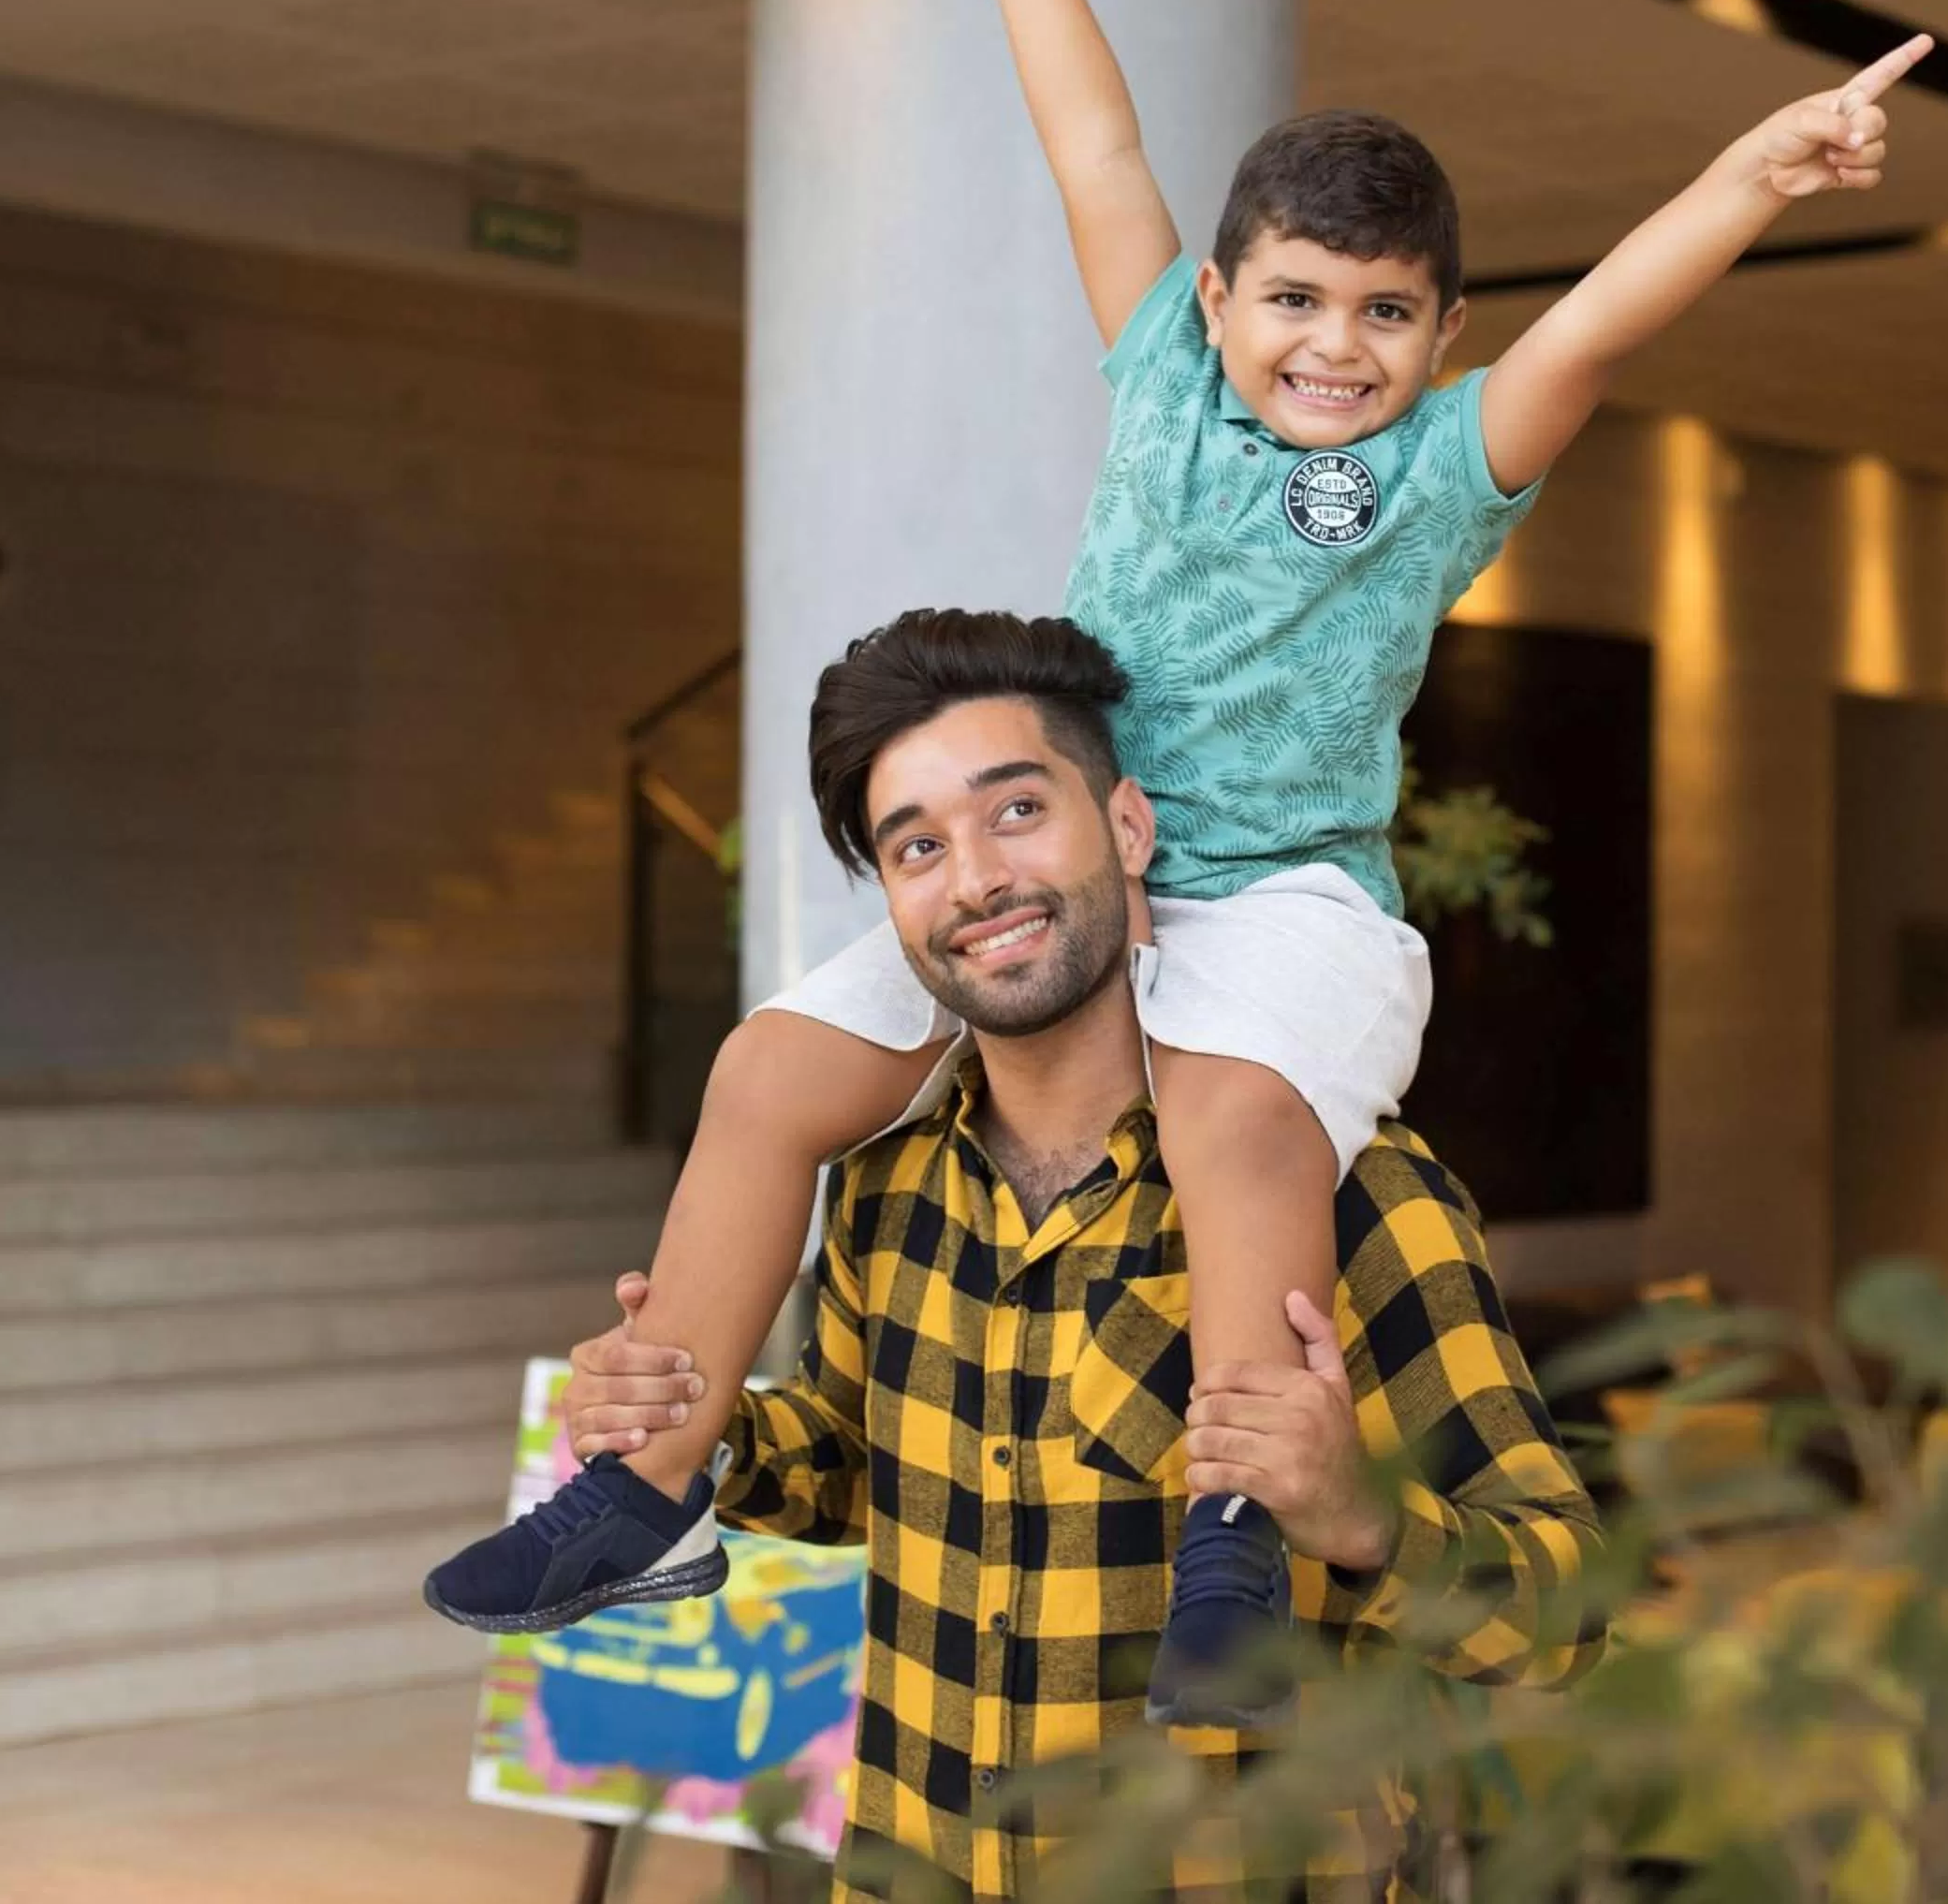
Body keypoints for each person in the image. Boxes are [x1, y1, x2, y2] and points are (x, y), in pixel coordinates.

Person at [427, 0, 1924, 1727]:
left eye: (1387, 314)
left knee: (1228, 1125)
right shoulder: (1160, 378)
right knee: (766, 1068)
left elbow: (1613, 318)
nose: (1334, 344)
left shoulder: (1440, 474)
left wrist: (1762, 171)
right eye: (1295, 298)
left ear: (1442, 333)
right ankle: (642, 1483)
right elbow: (1098, 137)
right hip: (1083, 861)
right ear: (1219, 302)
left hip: (1285, 892)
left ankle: (1238, 1531)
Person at [446, 610, 1606, 1896]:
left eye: (1016, 812)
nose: (977, 879)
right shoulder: (886, 1186)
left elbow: (1565, 1613)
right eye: (920, 847)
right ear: (891, 903)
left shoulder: (1350, 1191)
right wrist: (702, 1426)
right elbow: (850, 1472)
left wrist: (1361, 1518)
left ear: (1126, 827)